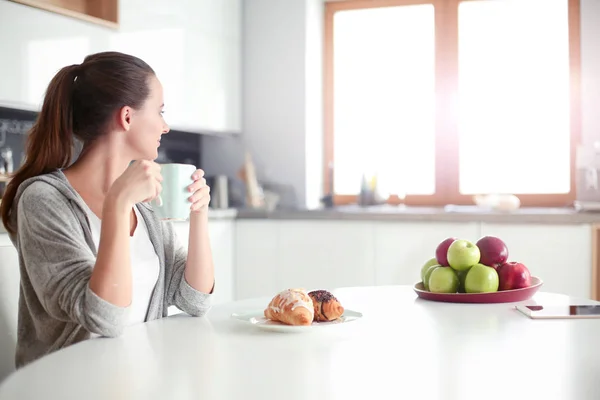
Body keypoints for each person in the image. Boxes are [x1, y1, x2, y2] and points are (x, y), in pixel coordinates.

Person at [0, 51, 215, 368]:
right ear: (127, 117)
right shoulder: (42, 199)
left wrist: (199, 214)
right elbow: (106, 318)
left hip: (138, 382)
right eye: (160, 111)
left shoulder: (144, 202)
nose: (165, 126)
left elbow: (193, 300)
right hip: (67, 386)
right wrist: (117, 204)